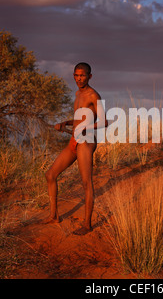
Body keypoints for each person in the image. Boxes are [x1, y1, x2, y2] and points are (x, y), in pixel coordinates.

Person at [44, 62, 107, 235]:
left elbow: (104, 122)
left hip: (86, 140)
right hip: (74, 139)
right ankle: (54, 215)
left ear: (90, 76)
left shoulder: (94, 95)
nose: (79, 79)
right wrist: (65, 123)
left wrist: (87, 128)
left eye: (82, 75)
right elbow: (79, 118)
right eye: (76, 75)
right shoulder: (78, 93)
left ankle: (87, 225)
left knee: (86, 183)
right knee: (50, 175)